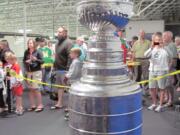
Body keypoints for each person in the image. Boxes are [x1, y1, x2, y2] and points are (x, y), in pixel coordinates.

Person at [144, 33, 171, 112]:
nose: (158, 41)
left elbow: (171, 56)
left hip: (162, 71)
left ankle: (160, 105)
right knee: (152, 88)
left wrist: (164, 47)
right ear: (154, 41)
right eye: (156, 40)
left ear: (162, 40)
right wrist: (151, 48)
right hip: (152, 71)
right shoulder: (152, 48)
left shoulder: (165, 49)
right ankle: (154, 103)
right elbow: (145, 55)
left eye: (159, 40)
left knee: (161, 88)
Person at [51, 26, 72, 110]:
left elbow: (70, 57)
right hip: (58, 69)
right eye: (58, 32)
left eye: (60, 32)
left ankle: (70, 106)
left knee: (69, 88)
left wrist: (68, 70)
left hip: (65, 70)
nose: (58, 33)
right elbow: (57, 56)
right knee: (60, 87)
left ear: (65, 33)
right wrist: (54, 67)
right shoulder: (57, 43)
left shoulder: (68, 43)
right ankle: (59, 103)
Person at [23, 39, 44, 112]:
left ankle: (40, 105)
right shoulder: (26, 52)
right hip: (29, 72)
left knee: (36, 89)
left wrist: (35, 59)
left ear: (34, 44)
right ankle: (33, 105)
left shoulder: (38, 51)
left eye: (31, 43)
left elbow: (42, 61)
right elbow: (23, 61)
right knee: (30, 89)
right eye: (28, 43)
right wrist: (26, 62)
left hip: (37, 72)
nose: (29, 44)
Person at [63, 48, 83, 120]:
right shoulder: (78, 61)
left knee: (73, 98)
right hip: (76, 82)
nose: (70, 54)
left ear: (76, 54)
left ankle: (72, 113)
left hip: (74, 83)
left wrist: (66, 77)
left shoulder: (75, 62)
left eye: (71, 53)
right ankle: (72, 111)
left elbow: (72, 73)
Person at [163, 31, 178, 107]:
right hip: (163, 67)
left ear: (169, 37)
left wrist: (169, 68)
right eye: (163, 36)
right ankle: (166, 98)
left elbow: (174, 58)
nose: (163, 37)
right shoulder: (164, 44)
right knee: (165, 84)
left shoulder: (172, 45)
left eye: (165, 36)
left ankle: (170, 100)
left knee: (169, 84)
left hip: (169, 68)